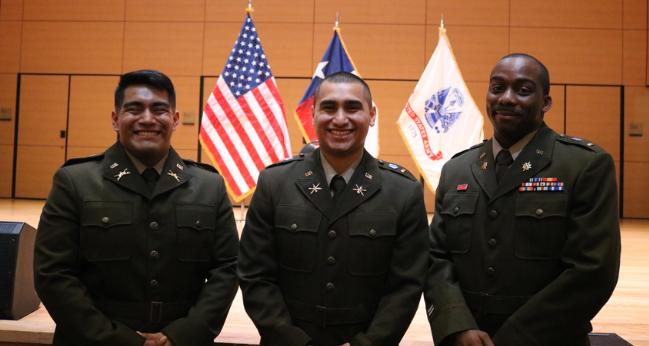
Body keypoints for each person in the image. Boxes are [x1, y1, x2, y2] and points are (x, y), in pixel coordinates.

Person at [425, 54, 621, 346]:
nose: (506, 98)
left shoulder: (583, 165)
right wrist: (457, 325)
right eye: (497, 87)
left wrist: (517, 337)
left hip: (547, 338)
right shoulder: (456, 169)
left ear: (546, 102)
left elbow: (593, 271)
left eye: (523, 90)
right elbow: (436, 258)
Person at [34, 70, 239, 346]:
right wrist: (119, 340)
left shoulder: (209, 186)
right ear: (115, 120)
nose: (147, 119)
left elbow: (227, 269)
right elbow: (53, 274)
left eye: (159, 109)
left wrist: (183, 335)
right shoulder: (74, 181)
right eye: (134, 109)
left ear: (175, 120)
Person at [238, 72, 429, 346]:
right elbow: (255, 276)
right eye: (328, 108)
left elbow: (406, 287)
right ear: (313, 114)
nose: (340, 119)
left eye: (353, 108)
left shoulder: (403, 192)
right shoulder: (274, 183)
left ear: (372, 115)